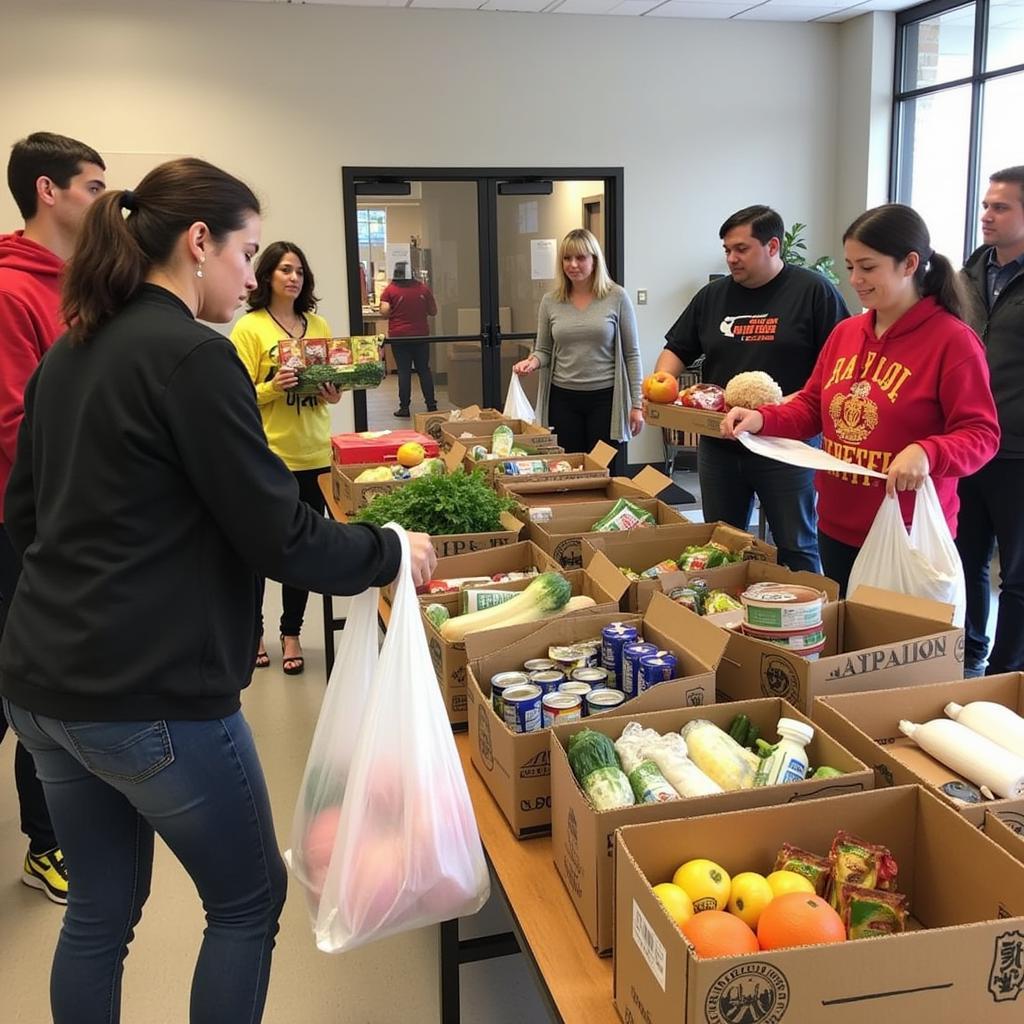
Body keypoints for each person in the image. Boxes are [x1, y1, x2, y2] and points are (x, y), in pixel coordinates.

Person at [0, 157, 436, 1024]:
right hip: (150, 694)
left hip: (42, 687)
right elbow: (279, 531)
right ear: (199, 243)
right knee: (246, 901)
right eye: (244, 252)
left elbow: (24, 515)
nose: (249, 274)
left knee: (98, 911)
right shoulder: (194, 359)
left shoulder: (73, 351)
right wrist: (388, 550)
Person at [723, 203, 1001, 595]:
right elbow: (813, 406)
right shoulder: (846, 333)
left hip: (905, 532)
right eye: (850, 266)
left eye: (867, 267)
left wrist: (927, 452)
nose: (854, 279)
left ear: (909, 263)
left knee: (894, 651)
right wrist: (763, 419)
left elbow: (981, 434)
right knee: (845, 645)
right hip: (835, 524)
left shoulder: (952, 342)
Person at [0, 131, 106, 904]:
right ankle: (46, 844)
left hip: (69, 526)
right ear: (48, 190)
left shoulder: (77, 285)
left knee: (52, 687)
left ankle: (56, 831)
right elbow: (13, 430)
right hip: (24, 532)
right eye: (94, 187)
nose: (104, 201)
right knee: (23, 690)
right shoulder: (11, 290)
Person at [655, 206, 849, 572]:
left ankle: (803, 620)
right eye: (727, 249)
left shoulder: (814, 292)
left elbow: (840, 368)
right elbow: (677, 349)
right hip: (722, 443)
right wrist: (661, 383)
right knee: (721, 541)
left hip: (787, 446)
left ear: (773, 245)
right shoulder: (711, 297)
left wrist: (780, 410)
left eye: (741, 249)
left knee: (796, 545)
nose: (731, 258)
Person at [231, 240, 338, 675]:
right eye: (284, 270)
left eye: (299, 271)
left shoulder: (320, 325)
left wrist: (333, 390)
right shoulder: (249, 329)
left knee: (301, 552)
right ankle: (252, 631)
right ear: (267, 276)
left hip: (314, 454)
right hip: (269, 457)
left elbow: (332, 389)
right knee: (258, 551)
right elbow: (236, 396)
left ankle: (290, 631)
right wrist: (275, 387)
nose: (293, 277)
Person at [956, 166, 1024, 676]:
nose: (986, 216)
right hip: (966, 442)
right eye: (986, 205)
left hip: (1018, 451)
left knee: (1018, 577)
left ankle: (1005, 677)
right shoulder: (971, 271)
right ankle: (970, 657)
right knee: (966, 560)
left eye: (1000, 208)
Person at [513, 228, 644, 472]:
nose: (573, 264)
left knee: (604, 470)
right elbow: (543, 349)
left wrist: (637, 405)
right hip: (563, 400)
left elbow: (632, 355)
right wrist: (532, 362)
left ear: (595, 260)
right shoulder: (550, 301)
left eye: (581, 258)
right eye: (567, 258)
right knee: (568, 468)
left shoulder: (616, 297)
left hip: (606, 401)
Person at [379, 265, 437, 417]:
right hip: (421, 335)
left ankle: (404, 408)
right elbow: (433, 311)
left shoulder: (390, 290)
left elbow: (384, 312)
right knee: (424, 370)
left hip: (399, 336)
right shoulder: (423, 289)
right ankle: (431, 405)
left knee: (404, 372)